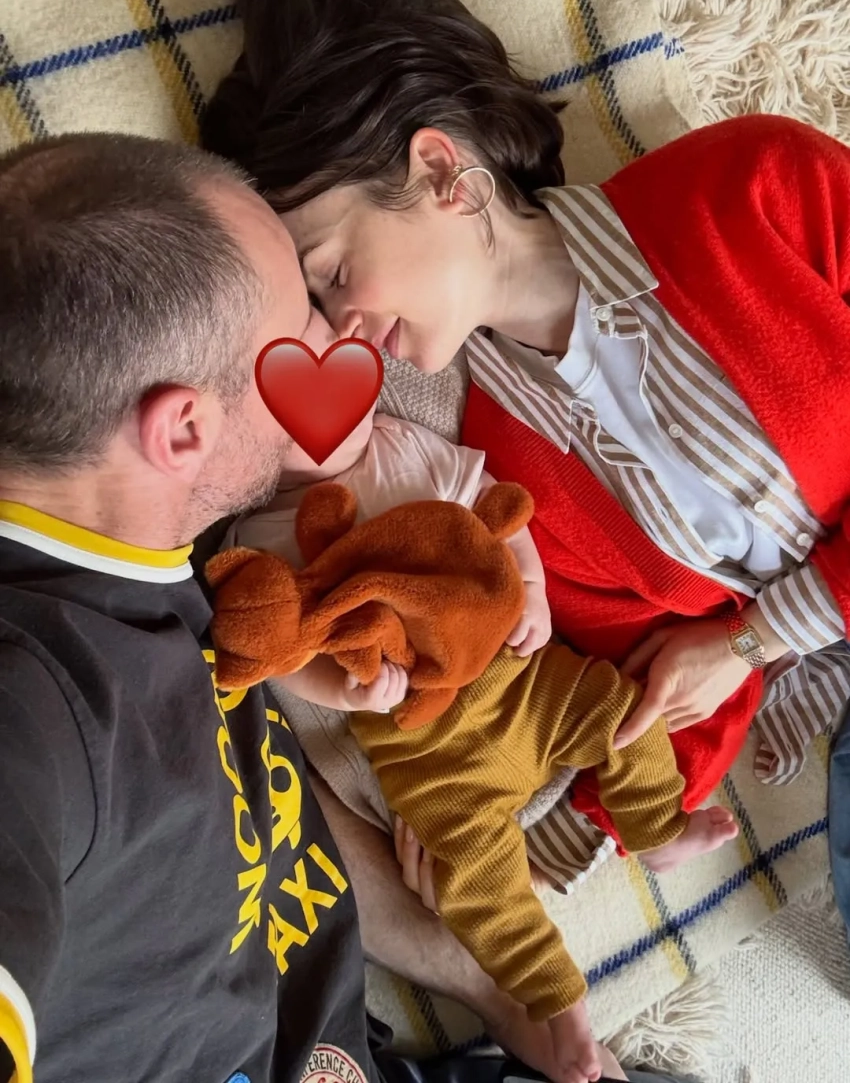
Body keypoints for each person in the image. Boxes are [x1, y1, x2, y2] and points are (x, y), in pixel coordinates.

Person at [0, 132, 657, 1083]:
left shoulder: (160, 567)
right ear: (184, 428)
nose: (339, 341)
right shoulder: (30, 700)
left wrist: (483, 982)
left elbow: (265, 808)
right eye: (300, 324)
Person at [201, 0, 850, 879]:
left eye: (335, 271)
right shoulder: (500, 478)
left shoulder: (754, 183)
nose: (338, 326)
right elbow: (653, 685)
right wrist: (532, 850)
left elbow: (731, 643)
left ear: (443, 172)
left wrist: (758, 636)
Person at [212, 391, 738, 1083]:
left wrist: (532, 588)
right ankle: (559, 1000)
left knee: (623, 712)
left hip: (520, 683)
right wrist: (346, 692)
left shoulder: (402, 445)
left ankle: (656, 827)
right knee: (479, 886)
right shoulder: (255, 540)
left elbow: (498, 510)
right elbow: (285, 659)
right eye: (287, 403)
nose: (331, 403)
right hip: (428, 756)